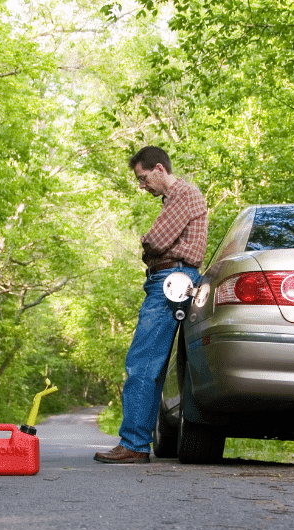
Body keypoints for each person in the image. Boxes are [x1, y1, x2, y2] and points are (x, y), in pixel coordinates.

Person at [94, 146, 209, 464]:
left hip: (171, 279)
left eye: (143, 178)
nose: (142, 185)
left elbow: (155, 241)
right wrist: (154, 245)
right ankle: (136, 441)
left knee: (141, 362)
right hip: (170, 278)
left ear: (159, 169)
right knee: (152, 364)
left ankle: (133, 443)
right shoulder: (174, 198)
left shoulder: (182, 193)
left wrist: (149, 242)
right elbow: (159, 241)